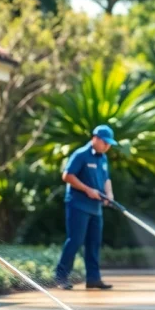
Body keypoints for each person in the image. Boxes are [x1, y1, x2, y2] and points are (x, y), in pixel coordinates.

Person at [55, 125, 116, 291]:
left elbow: (106, 179)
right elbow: (67, 175)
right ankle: (61, 277)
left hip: (96, 208)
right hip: (78, 205)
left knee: (94, 243)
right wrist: (88, 190)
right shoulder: (81, 154)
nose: (107, 146)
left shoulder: (103, 158)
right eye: (105, 142)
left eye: (109, 144)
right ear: (94, 138)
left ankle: (93, 279)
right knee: (75, 241)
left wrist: (109, 195)